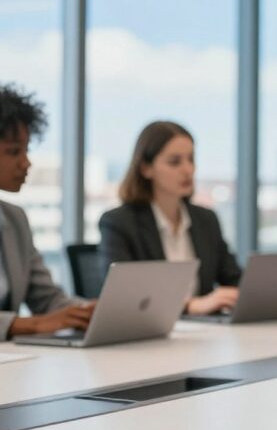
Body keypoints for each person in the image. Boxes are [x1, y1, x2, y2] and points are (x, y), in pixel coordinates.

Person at [0, 82, 94, 341]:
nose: (26, 163)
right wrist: (28, 325)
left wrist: (88, 312)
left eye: (26, 150)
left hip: (7, 364)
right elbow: (38, 320)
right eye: (13, 152)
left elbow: (46, 298)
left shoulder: (14, 219)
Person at [98, 121, 241, 316]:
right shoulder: (119, 223)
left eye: (191, 159)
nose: (187, 170)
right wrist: (189, 306)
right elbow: (125, 298)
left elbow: (234, 279)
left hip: (205, 336)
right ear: (146, 169)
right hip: (148, 336)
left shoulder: (205, 219)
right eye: (175, 162)